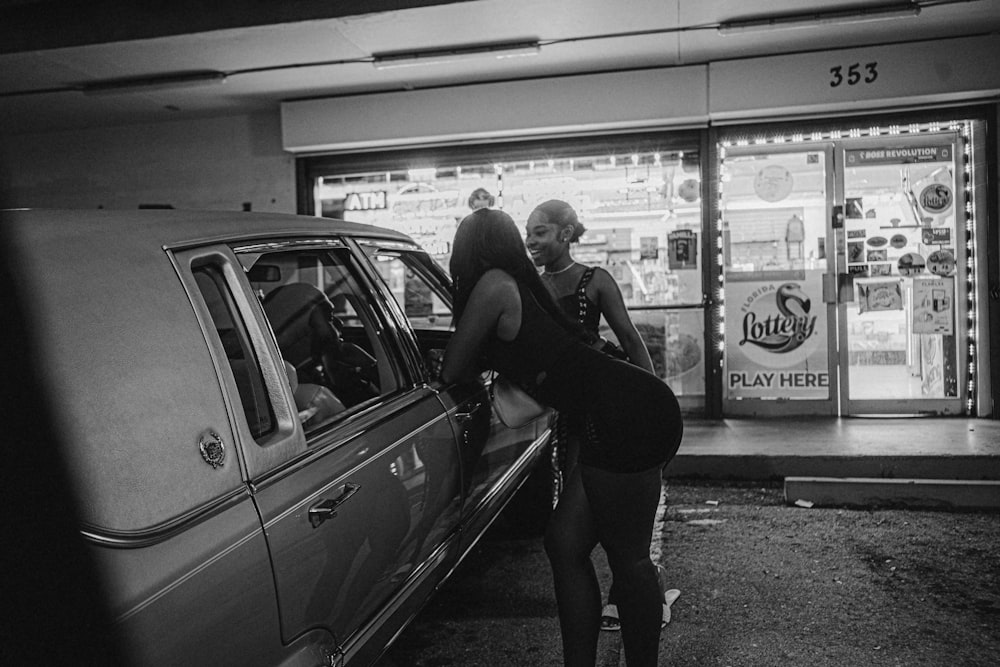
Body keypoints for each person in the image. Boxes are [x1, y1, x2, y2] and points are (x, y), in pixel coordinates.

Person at [442, 208, 683, 667]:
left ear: (468, 251)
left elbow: (453, 368)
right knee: (565, 543)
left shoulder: (493, 285)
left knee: (628, 559)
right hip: (620, 409)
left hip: (627, 412)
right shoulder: (516, 283)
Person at [526, 199, 680, 633]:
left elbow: (630, 339)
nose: (531, 241)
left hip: (609, 409)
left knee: (603, 522)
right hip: (571, 415)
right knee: (581, 521)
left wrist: (652, 405)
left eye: (540, 231)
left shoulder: (595, 280)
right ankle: (632, 590)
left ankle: (633, 592)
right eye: (528, 233)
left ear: (566, 233)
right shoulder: (531, 286)